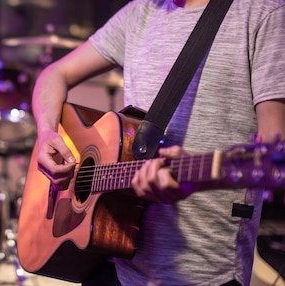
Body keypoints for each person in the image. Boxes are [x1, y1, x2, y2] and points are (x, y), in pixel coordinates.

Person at [31, 0, 285, 285]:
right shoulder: (141, 11)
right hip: (118, 262)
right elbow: (53, 74)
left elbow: (275, 151)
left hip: (205, 272)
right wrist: (47, 133)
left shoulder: (263, 12)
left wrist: (195, 181)